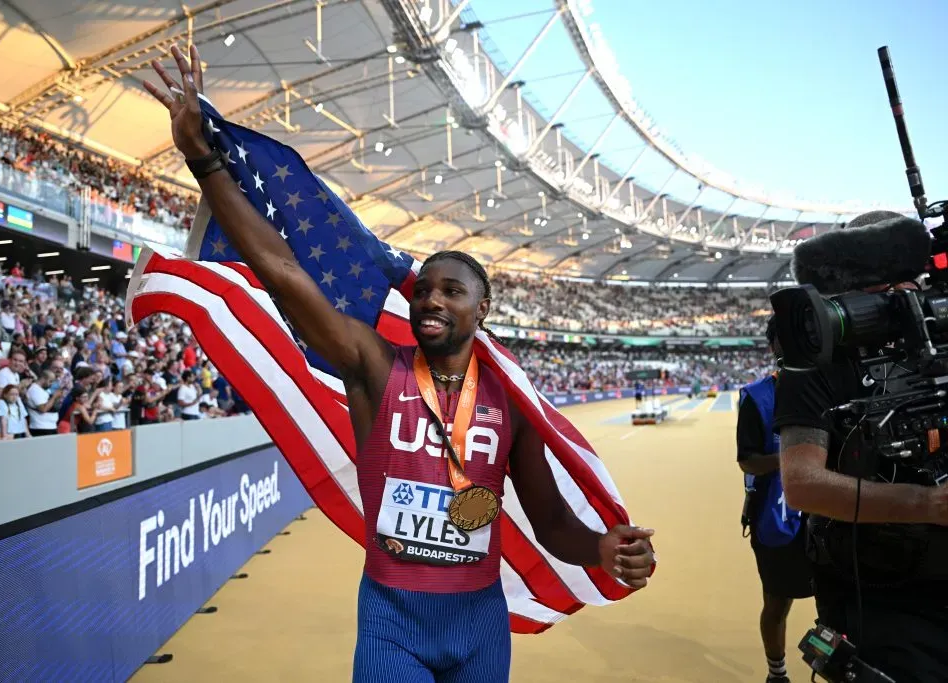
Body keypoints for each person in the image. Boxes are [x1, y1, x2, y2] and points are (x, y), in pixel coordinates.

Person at [143, 44, 656, 683]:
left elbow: (551, 521)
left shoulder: (508, 402)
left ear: (483, 308)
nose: (432, 300)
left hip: (479, 621)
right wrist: (204, 158)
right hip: (392, 618)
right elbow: (280, 269)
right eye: (423, 290)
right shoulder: (374, 364)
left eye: (451, 291)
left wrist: (601, 548)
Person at [775, 210, 948, 682]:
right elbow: (803, 485)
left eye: (910, 282)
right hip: (880, 597)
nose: (900, 297)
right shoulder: (812, 360)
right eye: (882, 286)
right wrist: (929, 504)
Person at [737, 316, 813, 683]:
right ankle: (777, 673)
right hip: (775, 517)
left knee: (836, 598)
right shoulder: (757, 397)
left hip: (828, 516)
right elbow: (747, 460)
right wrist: (797, 458)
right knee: (777, 601)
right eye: (785, 338)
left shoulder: (828, 388)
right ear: (774, 346)